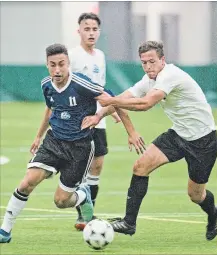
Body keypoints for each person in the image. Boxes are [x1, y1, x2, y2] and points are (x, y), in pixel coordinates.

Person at [0, 43, 144, 243]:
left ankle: (83, 196)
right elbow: (50, 109)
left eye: (61, 64)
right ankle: (5, 231)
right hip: (54, 141)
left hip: (80, 148)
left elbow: (113, 99)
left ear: (68, 64)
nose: (57, 70)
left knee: (61, 201)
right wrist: (38, 136)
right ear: (47, 65)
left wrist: (130, 131)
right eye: (52, 65)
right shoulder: (46, 85)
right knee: (27, 182)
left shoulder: (81, 84)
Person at [84, 41, 217, 241]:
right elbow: (124, 97)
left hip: (203, 141)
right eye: (144, 62)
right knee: (140, 166)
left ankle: (214, 213)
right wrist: (98, 116)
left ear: (162, 60)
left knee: (195, 195)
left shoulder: (169, 76)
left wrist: (111, 101)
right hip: (178, 134)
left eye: (152, 61)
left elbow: (145, 104)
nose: (148, 67)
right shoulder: (148, 80)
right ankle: (129, 222)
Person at [68, 12, 120, 231]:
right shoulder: (72, 55)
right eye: (86, 28)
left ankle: (89, 212)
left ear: (99, 32)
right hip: (80, 119)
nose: (91, 32)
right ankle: (83, 214)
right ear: (78, 31)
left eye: (94, 29)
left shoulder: (100, 55)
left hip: (99, 117)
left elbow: (101, 87)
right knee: (81, 165)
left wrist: (113, 110)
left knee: (98, 164)